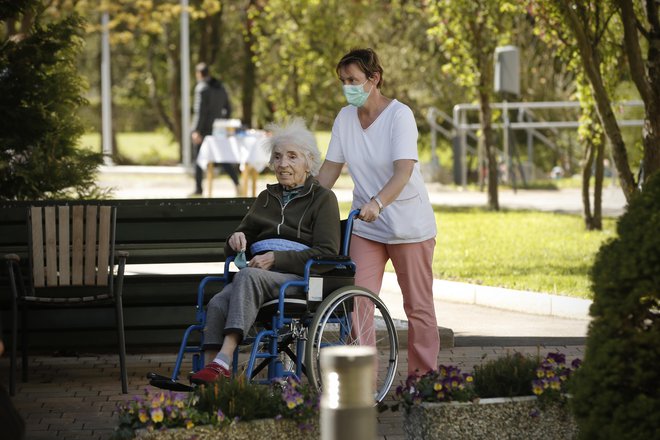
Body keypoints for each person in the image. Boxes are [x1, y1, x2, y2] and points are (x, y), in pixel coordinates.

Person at [317, 48, 439, 375]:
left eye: (354, 80)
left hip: (407, 227)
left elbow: (402, 172)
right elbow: (329, 171)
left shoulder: (400, 116)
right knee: (357, 304)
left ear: (374, 79)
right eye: (343, 81)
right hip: (367, 229)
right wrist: (302, 198)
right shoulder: (345, 118)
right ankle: (364, 385)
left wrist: (378, 203)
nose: (348, 87)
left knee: (418, 308)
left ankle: (423, 382)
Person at [190, 118, 340, 384]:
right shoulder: (266, 198)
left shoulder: (323, 199)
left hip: (295, 278)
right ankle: (210, 374)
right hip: (259, 274)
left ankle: (224, 360)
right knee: (216, 302)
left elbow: (327, 252)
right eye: (278, 157)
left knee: (246, 277)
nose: (283, 164)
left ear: (310, 162)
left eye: (292, 157)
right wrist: (236, 240)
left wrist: (277, 258)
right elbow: (238, 239)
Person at [191, 62, 240, 196]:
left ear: (199, 74)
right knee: (223, 158)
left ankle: (198, 188)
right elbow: (228, 109)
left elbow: (200, 111)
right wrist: (222, 122)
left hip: (204, 130)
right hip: (218, 130)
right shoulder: (220, 87)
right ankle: (237, 183)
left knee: (199, 159)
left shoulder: (202, 88)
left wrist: (196, 130)